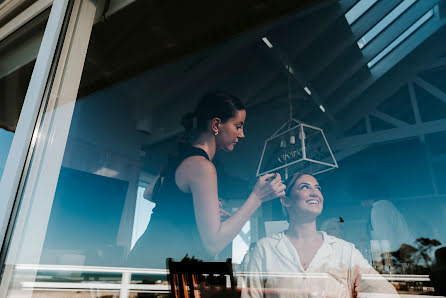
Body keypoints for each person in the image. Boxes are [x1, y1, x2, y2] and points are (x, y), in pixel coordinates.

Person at [127, 92, 286, 268]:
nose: (242, 135)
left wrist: (197, 207)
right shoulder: (202, 166)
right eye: (238, 126)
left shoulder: (181, 157)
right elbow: (213, 244)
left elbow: (150, 194)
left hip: (144, 259)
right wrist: (257, 197)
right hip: (159, 268)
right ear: (216, 124)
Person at [242, 173, 397, 297]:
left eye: (318, 188)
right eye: (304, 187)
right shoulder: (265, 249)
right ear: (286, 201)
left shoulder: (344, 250)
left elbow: (383, 291)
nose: (315, 193)